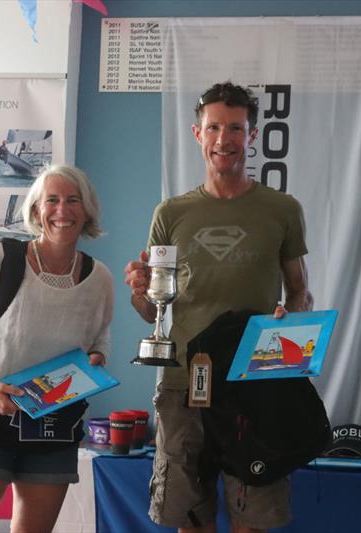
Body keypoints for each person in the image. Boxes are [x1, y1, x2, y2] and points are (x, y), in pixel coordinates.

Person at [124, 81, 313, 533]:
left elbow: (300, 292)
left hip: (254, 386)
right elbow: (154, 312)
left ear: (251, 136)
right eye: (214, 128)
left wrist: (293, 324)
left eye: (235, 128)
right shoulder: (170, 213)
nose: (223, 139)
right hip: (180, 382)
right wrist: (139, 288)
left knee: (252, 520)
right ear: (198, 134)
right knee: (190, 520)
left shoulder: (282, 209)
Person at [0, 164, 113, 533]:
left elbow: (99, 343)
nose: (62, 210)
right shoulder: (0, 260)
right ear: (36, 210)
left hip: (53, 426)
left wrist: (95, 364)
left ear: (87, 211)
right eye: (51, 200)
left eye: (73, 200)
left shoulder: (99, 277)